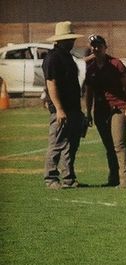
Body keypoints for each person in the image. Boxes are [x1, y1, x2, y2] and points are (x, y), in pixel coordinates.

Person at [83, 35, 126, 188]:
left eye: (99, 45)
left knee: (119, 144)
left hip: (118, 109)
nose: (96, 49)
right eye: (94, 46)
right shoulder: (91, 68)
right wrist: (88, 112)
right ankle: (113, 178)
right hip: (100, 111)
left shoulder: (116, 64)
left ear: (106, 47)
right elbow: (89, 93)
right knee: (108, 146)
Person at [42, 21, 86, 189]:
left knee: (71, 144)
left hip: (73, 108)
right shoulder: (53, 58)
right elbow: (51, 83)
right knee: (57, 143)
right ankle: (51, 178)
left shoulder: (67, 57)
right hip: (62, 110)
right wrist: (59, 109)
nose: (72, 42)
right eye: (69, 40)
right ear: (61, 41)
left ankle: (68, 177)